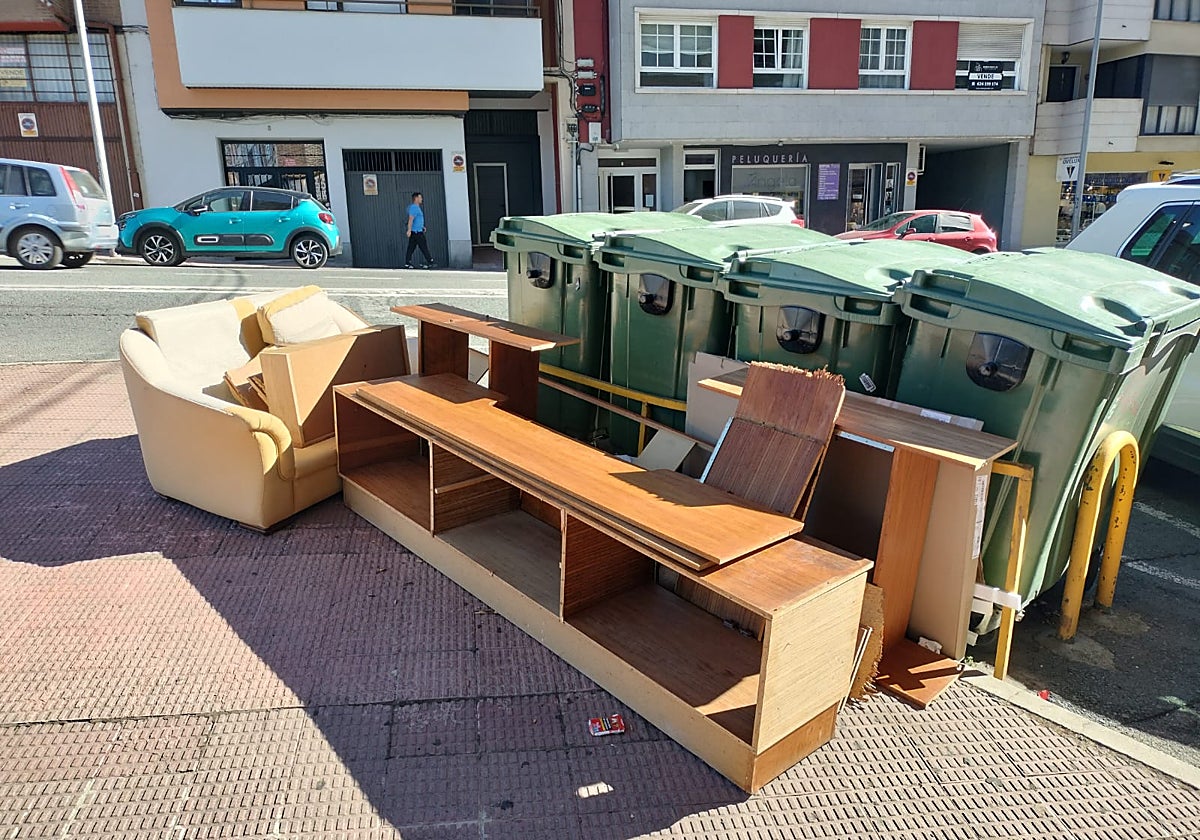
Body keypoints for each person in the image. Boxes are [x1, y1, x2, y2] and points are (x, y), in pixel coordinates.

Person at [404, 192, 435, 269]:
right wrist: (409, 230)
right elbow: (411, 219)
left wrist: (422, 227)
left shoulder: (416, 208)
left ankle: (408, 262)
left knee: (411, 247)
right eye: (420, 197)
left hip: (417, 231)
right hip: (417, 232)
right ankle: (430, 261)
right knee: (423, 246)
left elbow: (417, 220)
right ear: (416, 198)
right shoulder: (414, 208)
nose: (421, 199)